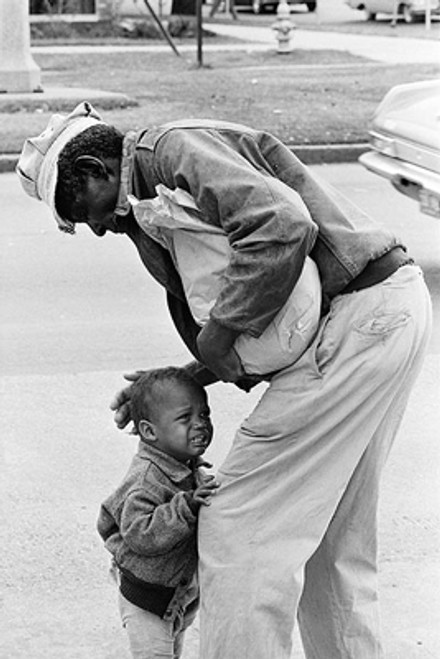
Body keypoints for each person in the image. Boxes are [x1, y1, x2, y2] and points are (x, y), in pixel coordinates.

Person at [17, 102, 432, 659]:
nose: (91, 227)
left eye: (77, 210)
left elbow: (281, 225)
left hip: (358, 320)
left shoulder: (169, 152)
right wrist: (188, 376)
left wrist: (220, 335)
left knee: (239, 527)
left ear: (95, 169)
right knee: (332, 540)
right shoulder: (148, 189)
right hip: (385, 313)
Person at [96, 366, 218, 659]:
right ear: (150, 431)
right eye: (184, 418)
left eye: (204, 415)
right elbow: (141, 535)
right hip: (147, 601)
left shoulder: (185, 465)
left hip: (177, 597)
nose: (200, 424)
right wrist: (185, 506)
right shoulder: (146, 480)